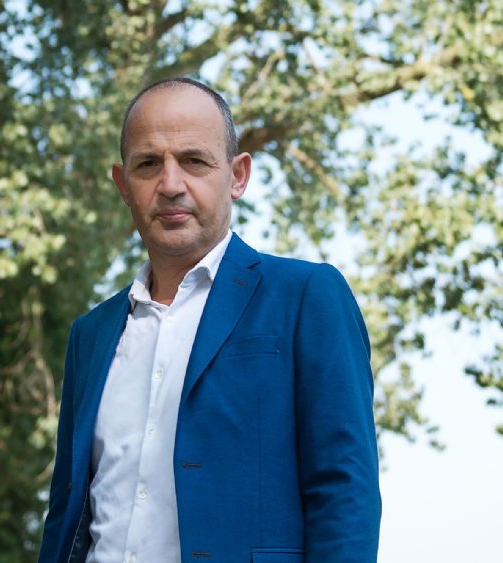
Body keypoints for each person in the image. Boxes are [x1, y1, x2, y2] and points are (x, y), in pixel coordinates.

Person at [38, 77, 381, 563]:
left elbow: (345, 493)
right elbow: (66, 514)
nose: (170, 185)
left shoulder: (306, 297)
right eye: (148, 164)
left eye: (194, 161)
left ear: (238, 176)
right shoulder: (90, 335)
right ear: (123, 184)